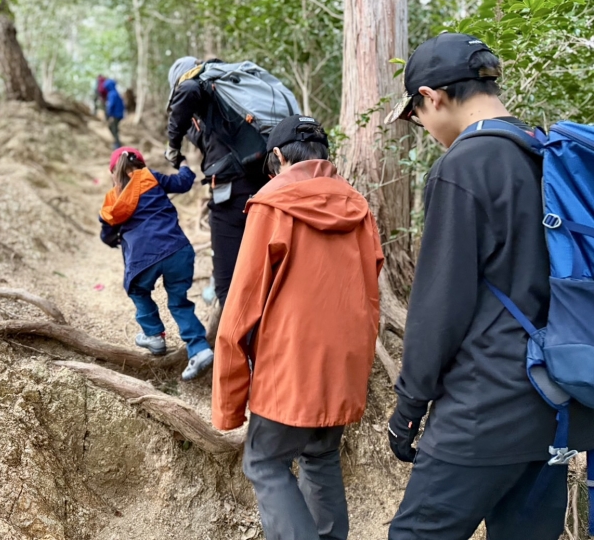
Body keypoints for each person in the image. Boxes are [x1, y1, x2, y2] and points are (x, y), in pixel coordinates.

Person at [384, 33, 594, 540]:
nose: (425, 129)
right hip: (559, 404)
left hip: (487, 405)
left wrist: (409, 406)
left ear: (431, 96)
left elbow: (439, 307)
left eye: (416, 115)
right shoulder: (547, 152)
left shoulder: (463, 166)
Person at [212, 115, 384, 540]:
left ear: (276, 157)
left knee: (264, 462)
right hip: (343, 367)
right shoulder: (359, 208)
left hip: (290, 367)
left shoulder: (273, 204)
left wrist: (228, 403)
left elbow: (240, 306)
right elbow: (372, 295)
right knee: (320, 458)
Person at [99, 146, 214, 381]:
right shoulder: (151, 177)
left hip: (143, 259)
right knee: (179, 302)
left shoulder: (114, 199)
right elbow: (183, 182)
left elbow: (107, 234)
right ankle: (199, 349)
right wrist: (182, 163)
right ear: (140, 165)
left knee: (137, 290)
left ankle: (154, 336)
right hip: (177, 250)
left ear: (114, 172)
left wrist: (114, 239)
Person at [165, 57, 270, 308]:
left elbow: (188, 90)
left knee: (227, 285)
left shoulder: (196, 87)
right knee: (262, 272)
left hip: (231, 193)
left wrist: (172, 144)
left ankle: (232, 343)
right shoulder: (230, 99)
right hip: (264, 186)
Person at [103, 78, 124, 149]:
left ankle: (118, 144)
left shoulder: (112, 94)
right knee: (114, 128)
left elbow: (111, 105)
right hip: (119, 115)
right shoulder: (116, 93)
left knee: (113, 128)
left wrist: (110, 115)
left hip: (114, 115)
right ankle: (117, 142)